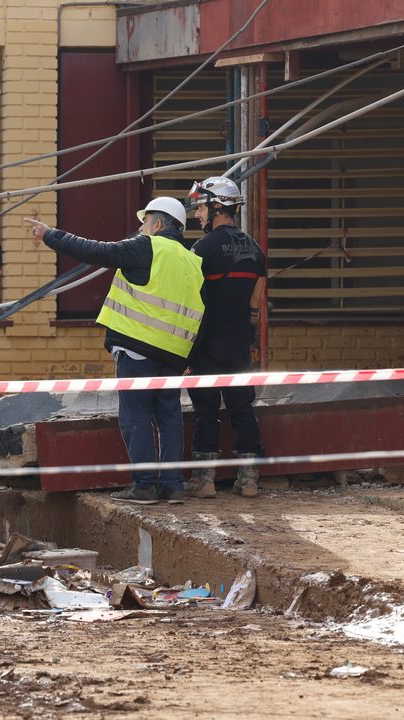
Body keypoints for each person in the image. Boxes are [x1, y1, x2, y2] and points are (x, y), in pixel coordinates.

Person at [26, 197, 204, 505]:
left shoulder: (147, 246)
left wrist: (50, 235)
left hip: (137, 349)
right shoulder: (192, 261)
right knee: (169, 417)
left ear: (158, 224)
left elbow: (98, 251)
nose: (140, 227)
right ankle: (173, 485)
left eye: (145, 221)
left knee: (136, 416)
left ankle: (145, 485)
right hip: (174, 354)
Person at [184, 176, 267, 499]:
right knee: (242, 408)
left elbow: (192, 301)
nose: (197, 215)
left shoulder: (202, 249)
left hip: (206, 344)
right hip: (238, 344)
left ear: (217, 207)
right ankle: (249, 480)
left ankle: (204, 481)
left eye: (201, 207)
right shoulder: (255, 249)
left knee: (206, 410)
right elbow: (255, 303)